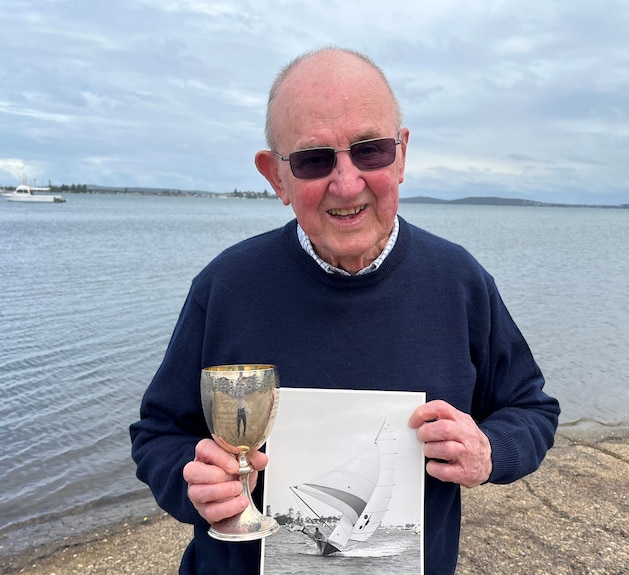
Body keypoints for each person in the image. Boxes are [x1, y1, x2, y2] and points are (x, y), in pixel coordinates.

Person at [130, 47, 560, 574]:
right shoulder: (225, 287)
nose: (347, 183)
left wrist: (489, 450)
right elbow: (158, 433)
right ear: (277, 178)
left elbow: (531, 409)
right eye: (314, 159)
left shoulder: (460, 282)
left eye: (370, 150)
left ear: (401, 155)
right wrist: (189, 480)